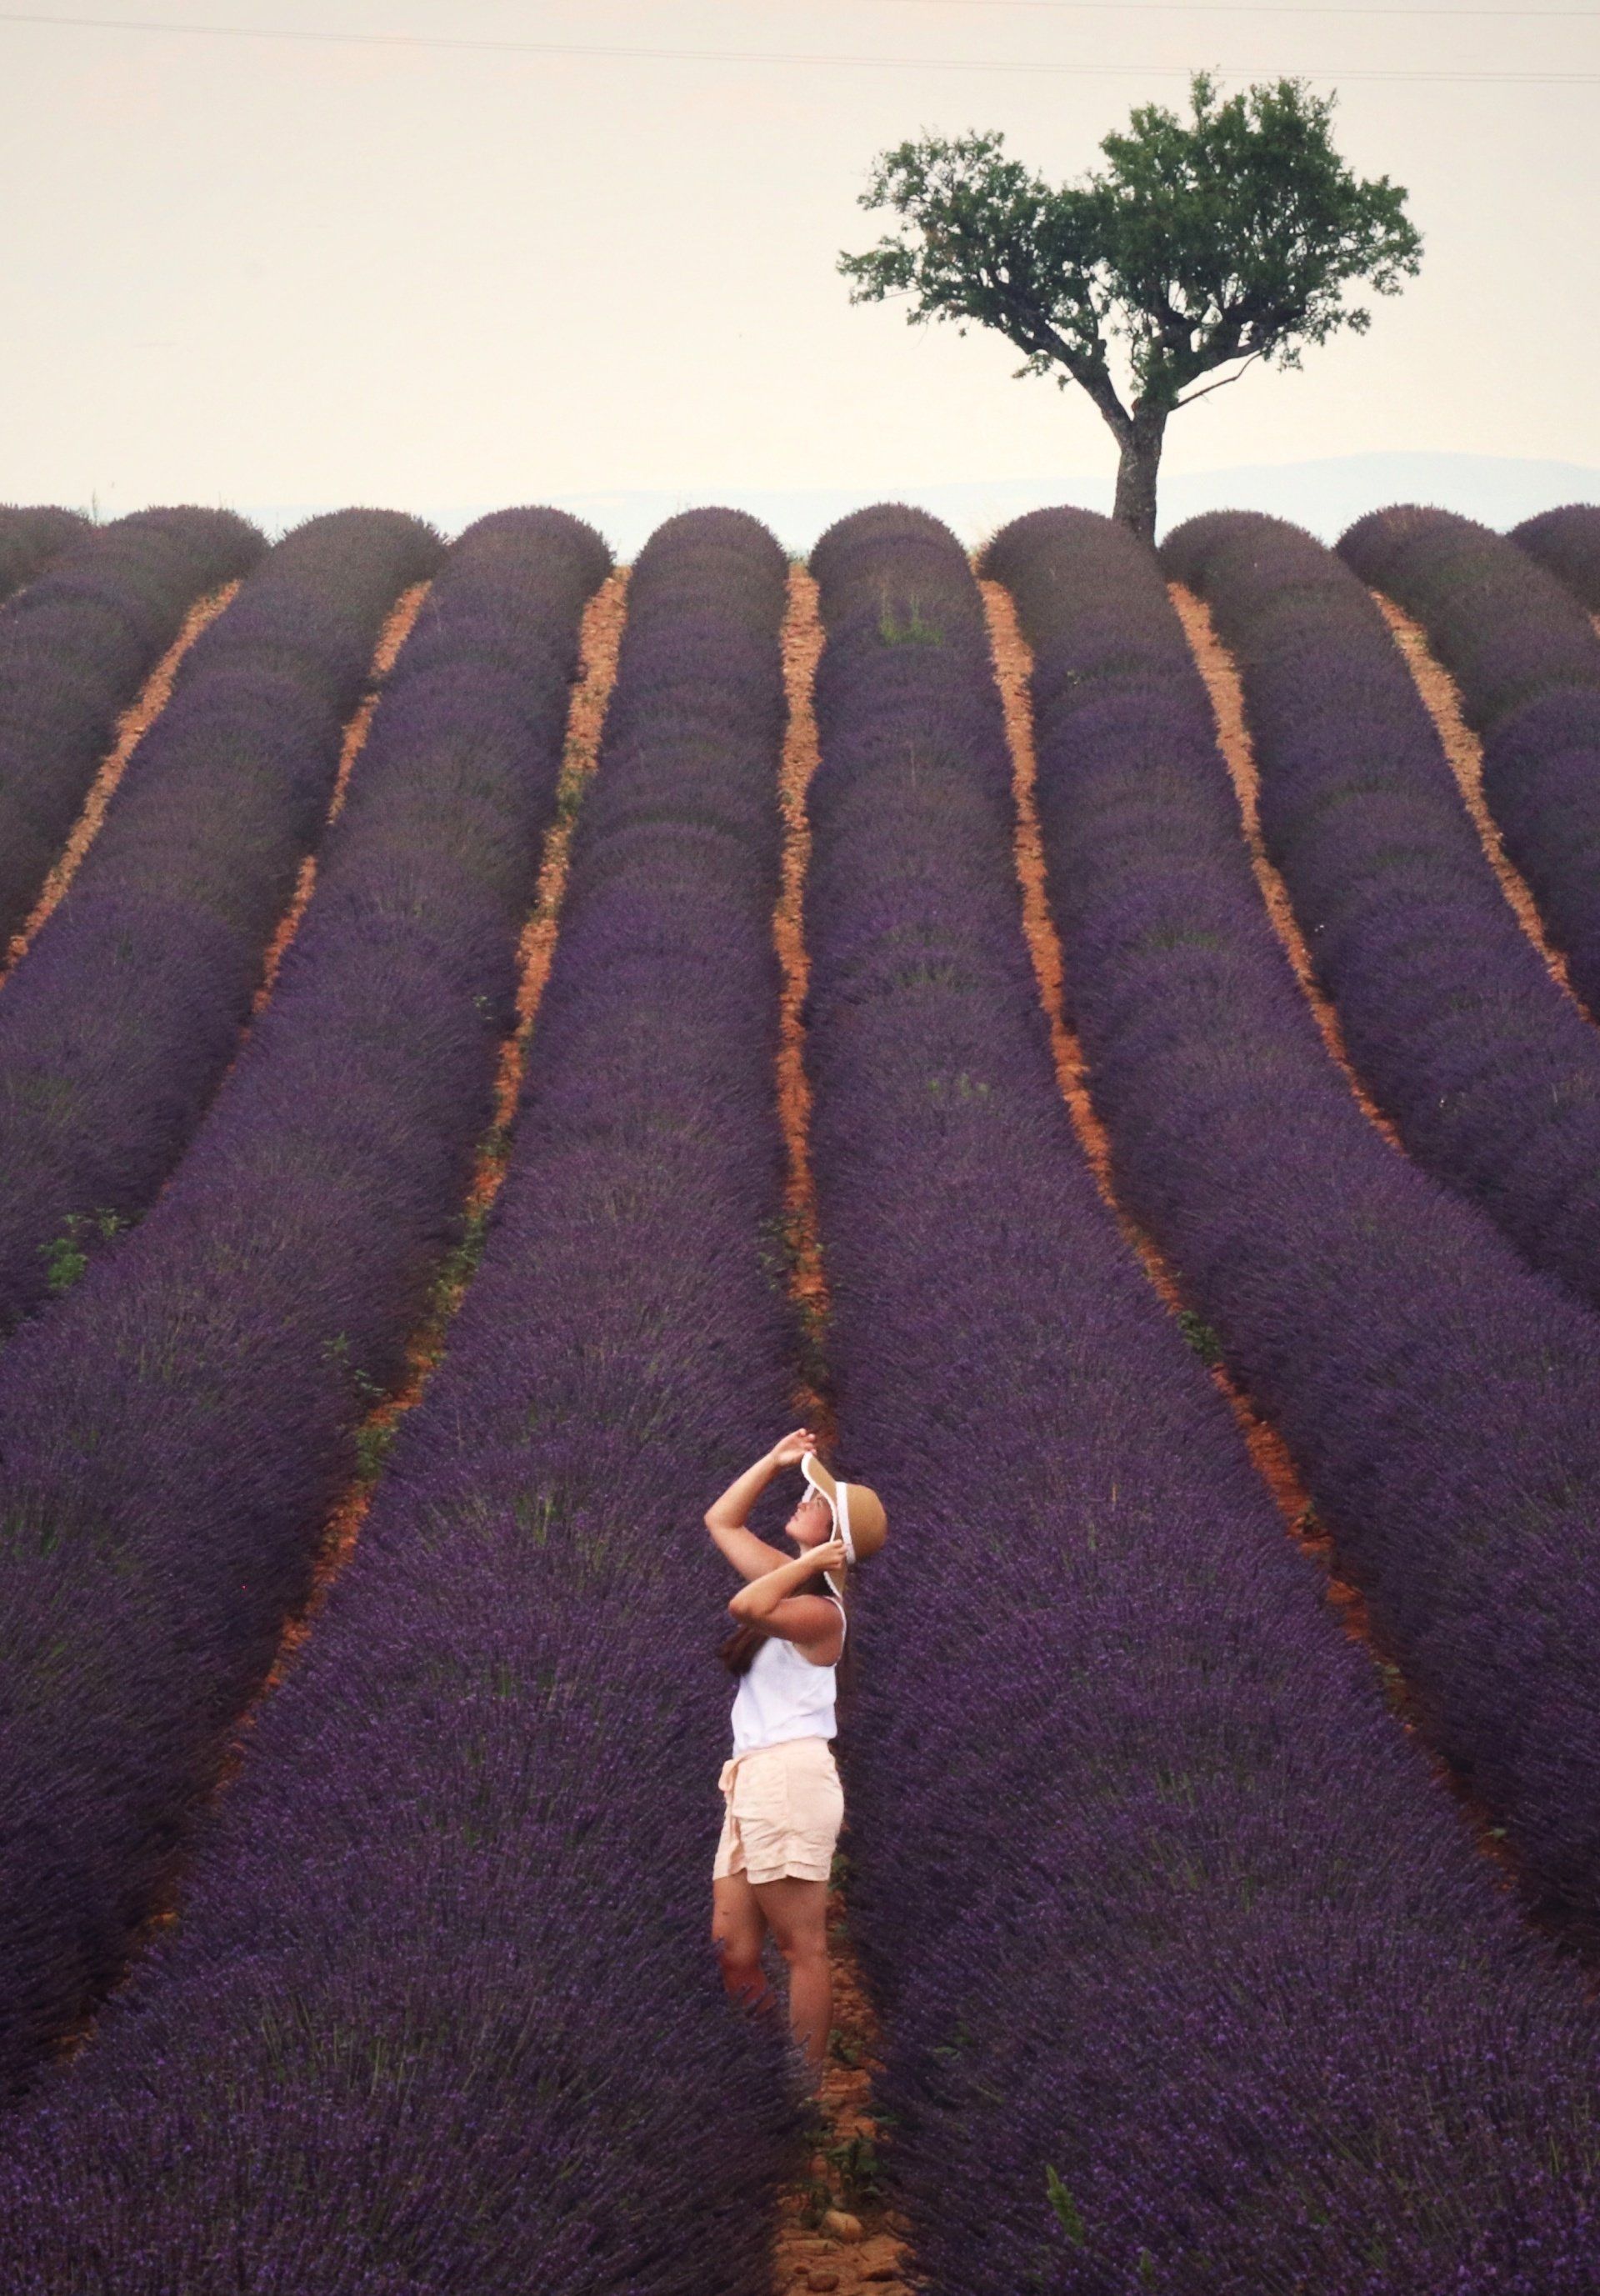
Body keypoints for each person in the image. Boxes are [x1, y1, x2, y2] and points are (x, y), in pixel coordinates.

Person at [705, 1427, 888, 2089]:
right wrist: (774, 1458)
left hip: (791, 1776)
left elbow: (745, 1605)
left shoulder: (821, 1611)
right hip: (750, 1776)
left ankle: (802, 2095)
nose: (803, 1495)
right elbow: (720, 1520)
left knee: (802, 1949)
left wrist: (811, 1565)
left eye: (813, 1495)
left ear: (831, 1531)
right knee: (735, 1951)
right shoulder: (795, 1581)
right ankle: (763, 2077)